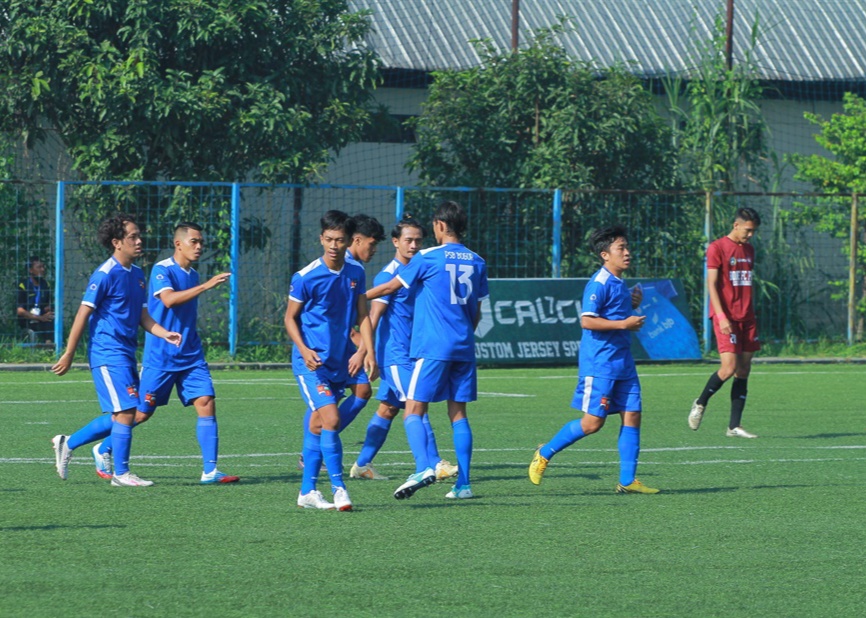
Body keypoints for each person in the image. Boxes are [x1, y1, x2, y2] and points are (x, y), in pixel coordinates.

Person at [90, 223, 239, 484]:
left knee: (206, 401)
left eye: (201, 242)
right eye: (194, 241)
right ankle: (102, 447)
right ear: (178, 244)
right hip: (161, 357)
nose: (199, 247)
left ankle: (210, 471)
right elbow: (169, 299)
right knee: (140, 413)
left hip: (190, 354)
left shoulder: (192, 273)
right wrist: (206, 286)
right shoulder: (163, 269)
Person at [365, 200, 488, 501]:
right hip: (464, 346)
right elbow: (477, 313)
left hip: (433, 347)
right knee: (458, 414)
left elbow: (389, 288)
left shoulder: (428, 257)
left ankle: (423, 468)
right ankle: (464, 485)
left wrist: (354, 296)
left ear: (441, 225)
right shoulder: (477, 261)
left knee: (413, 409)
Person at [50, 213, 182, 487]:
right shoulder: (105, 274)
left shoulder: (137, 275)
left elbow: (143, 316)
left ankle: (68, 443)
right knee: (126, 412)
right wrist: (69, 353)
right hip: (107, 352)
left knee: (129, 412)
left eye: (139, 235)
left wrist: (164, 332)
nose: (139, 240)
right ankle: (121, 474)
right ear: (116, 242)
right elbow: (83, 313)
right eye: (133, 236)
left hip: (126, 353)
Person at [528, 225, 660, 494]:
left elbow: (614, 312)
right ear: (605, 255)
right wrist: (624, 323)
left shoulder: (619, 283)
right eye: (621, 248)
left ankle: (627, 480)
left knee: (632, 414)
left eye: (627, 247)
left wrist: (631, 304)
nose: (627, 252)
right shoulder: (599, 283)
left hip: (623, 362)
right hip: (601, 364)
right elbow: (587, 321)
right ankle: (544, 453)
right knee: (592, 424)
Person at [349, 215, 459, 482]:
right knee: (416, 404)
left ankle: (362, 464)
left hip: (415, 353)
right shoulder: (389, 275)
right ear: (395, 242)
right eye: (408, 240)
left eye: (418, 241)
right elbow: (373, 317)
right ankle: (436, 463)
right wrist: (366, 352)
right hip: (396, 355)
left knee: (388, 408)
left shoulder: (421, 270)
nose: (414, 246)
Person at [286, 210, 376, 511]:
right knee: (331, 419)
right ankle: (339, 489)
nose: (333, 246)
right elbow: (290, 318)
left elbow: (363, 315)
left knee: (319, 423)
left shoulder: (355, 273)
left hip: (341, 357)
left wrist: (366, 351)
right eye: (328, 239)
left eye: (339, 240)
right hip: (312, 362)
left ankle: (307, 492)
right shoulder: (305, 276)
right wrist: (304, 349)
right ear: (321, 239)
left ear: (349, 241)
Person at [688, 207, 762, 438]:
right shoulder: (717, 247)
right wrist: (720, 316)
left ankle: (734, 426)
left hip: (747, 317)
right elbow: (712, 284)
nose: (750, 235)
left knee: (744, 369)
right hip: (726, 317)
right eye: (747, 230)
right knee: (729, 368)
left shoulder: (749, 250)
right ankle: (700, 403)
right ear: (735, 225)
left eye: (753, 231)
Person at [17, 256, 54, 343]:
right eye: (39, 267)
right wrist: (39, 317)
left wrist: (48, 310)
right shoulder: (23, 286)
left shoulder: (46, 285)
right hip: (28, 318)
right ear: (31, 270)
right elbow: (19, 310)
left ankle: (49, 346)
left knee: (52, 318)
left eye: (43, 267)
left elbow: (47, 304)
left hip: (41, 317)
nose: (42, 269)